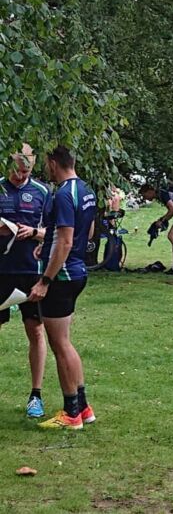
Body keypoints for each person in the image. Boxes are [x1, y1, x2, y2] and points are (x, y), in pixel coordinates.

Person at [28, 145, 97, 429]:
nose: (46, 169)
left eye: (47, 164)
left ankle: (71, 413)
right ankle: (84, 408)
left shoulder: (63, 194)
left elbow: (66, 242)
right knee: (65, 341)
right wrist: (47, 247)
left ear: (54, 163)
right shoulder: (86, 190)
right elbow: (86, 232)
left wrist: (45, 280)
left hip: (62, 277)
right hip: (78, 271)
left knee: (60, 344)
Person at [0, 144, 51, 418]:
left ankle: (36, 395)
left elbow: (54, 233)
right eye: (17, 171)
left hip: (31, 272)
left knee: (35, 330)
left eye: (26, 172)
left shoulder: (42, 192)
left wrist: (33, 232)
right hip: (1, 271)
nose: (20, 176)